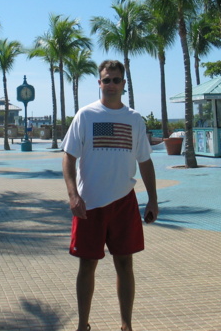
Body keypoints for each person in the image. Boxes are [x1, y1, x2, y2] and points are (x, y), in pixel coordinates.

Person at [61, 59, 159, 331]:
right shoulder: (86, 115)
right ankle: (83, 325)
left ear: (123, 84)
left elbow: (145, 161)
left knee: (125, 263)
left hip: (123, 201)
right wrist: (73, 195)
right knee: (87, 264)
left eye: (116, 80)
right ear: (99, 82)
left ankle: (126, 325)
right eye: (106, 80)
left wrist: (152, 199)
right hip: (89, 203)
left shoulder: (134, 119)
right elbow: (68, 157)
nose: (111, 85)